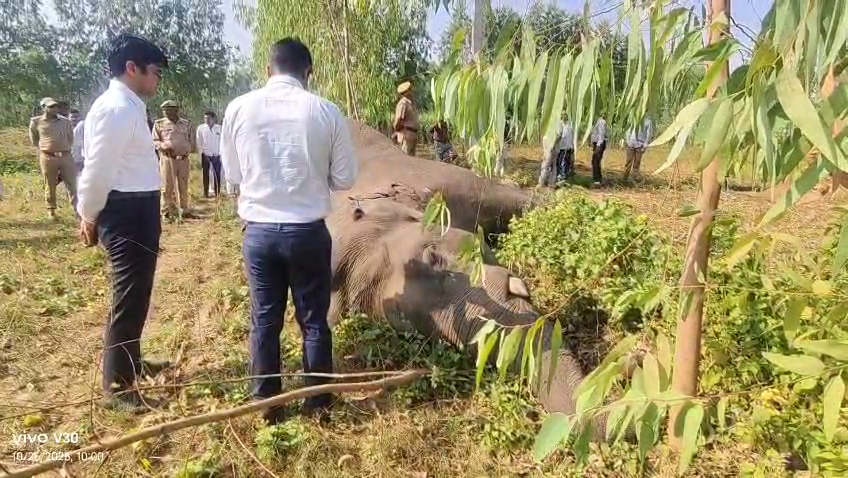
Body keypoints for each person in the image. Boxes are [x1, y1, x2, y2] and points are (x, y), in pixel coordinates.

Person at [221, 37, 358, 424]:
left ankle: (267, 403)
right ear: (308, 73)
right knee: (314, 320)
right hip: (308, 233)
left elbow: (232, 174)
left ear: (268, 70)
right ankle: (317, 402)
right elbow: (345, 177)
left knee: (265, 320)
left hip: (260, 234)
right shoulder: (326, 111)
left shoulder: (238, 108)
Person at [76, 34, 170, 411]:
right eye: (155, 72)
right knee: (128, 298)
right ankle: (117, 387)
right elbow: (97, 171)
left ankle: (131, 361)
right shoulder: (115, 108)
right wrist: (88, 214)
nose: (158, 80)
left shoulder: (129, 106)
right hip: (125, 212)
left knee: (139, 293)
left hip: (140, 208)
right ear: (132, 68)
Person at [29, 97, 77, 219]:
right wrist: (46, 149)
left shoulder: (65, 121)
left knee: (72, 183)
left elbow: (70, 137)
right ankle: (51, 210)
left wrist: (64, 147)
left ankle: (77, 208)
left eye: (56, 106)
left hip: (65, 156)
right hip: (48, 157)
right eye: (50, 107)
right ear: (43, 108)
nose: (54, 109)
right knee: (50, 183)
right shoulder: (36, 122)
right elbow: (34, 139)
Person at [153, 100, 196, 218]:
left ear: (176, 110)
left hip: (183, 159)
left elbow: (191, 140)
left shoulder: (186, 124)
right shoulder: (159, 124)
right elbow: (155, 140)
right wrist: (163, 146)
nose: (166, 113)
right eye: (164, 111)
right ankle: (167, 211)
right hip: (168, 159)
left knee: (183, 184)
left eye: (169, 110)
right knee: (167, 185)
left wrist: (188, 149)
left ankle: (184, 209)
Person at [196, 111, 223, 197]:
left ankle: (217, 192)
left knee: (217, 174)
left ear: (213, 119)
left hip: (217, 154)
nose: (206, 120)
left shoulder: (219, 128)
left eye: (208, 118)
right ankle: (206, 192)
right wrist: (202, 153)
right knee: (205, 174)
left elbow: (223, 142)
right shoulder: (200, 128)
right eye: (205, 118)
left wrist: (221, 153)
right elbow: (198, 141)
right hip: (206, 154)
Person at [393, 81, 419, 156]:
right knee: (405, 157)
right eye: (410, 90)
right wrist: (398, 130)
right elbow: (398, 119)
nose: (412, 92)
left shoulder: (410, 103)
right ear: (406, 92)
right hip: (406, 134)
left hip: (412, 134)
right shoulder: (403, 103)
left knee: (412, 159)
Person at [590, 116, 609, 185]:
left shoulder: (601, 122)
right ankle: (597, 178)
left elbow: (601, 134)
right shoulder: (598, 121)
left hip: (599, 144)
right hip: (598, 143)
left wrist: (598, 145)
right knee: (595, 161)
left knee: (595, 161)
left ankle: (597, 179)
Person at [69, 109, 85, 175]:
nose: (74, 119)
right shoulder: (66, 128)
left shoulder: (83, 127)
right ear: (68, 118)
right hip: (69, 160)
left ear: (81, 117)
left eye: (76, 117)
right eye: (72, 117)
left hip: (81, 160)